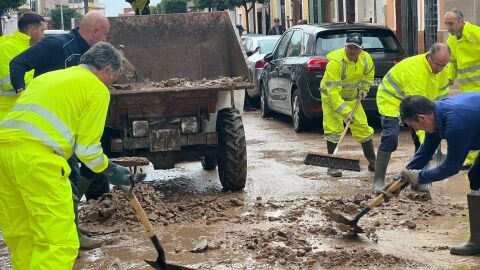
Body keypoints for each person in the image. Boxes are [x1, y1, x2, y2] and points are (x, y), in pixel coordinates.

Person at [0, 42, 133, 269]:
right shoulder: (96, 88)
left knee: (23, 237)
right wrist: (111, 170)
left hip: (5, 156)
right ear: (107, 70)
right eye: (114, 79)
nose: (111, 84)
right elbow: (88, 150)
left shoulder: (47, 78)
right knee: (59, 243)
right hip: (38, 160)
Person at [9, 11, 111, 249]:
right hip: (44, 132)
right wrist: (22, 92)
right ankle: (67, 235)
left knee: (73, 176)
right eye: (105, 34)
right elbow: (18, 64)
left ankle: (71, 226)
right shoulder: (57, 44)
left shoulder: (89, 55)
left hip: (64, 129)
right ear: (95, 31)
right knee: (69, 178)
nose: (106, 39)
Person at [399, 93, 480, 256]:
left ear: (422, 118)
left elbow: (451, 167)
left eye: (413, 126)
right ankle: (477, 240)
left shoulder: (456, 124)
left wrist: (419, 178)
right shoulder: (436, 114)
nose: (415, 130)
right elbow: (424, 153)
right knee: (477, 176)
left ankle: (477, 242)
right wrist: (400, 180)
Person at [372, 43, 451, 194]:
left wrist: (439, 126)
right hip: (391, 100)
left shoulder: (444, 70)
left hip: (418, 103)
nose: (440, 69)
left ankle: (417, 180)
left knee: (419, 140)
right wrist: (429, 140)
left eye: (443, 65)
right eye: (437, 64)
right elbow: (419, 113)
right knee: (391, 137)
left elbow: (441, 99)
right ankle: (378, 182)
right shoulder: (415, 70)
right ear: (429, 56)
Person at [319, 32, 376, 177]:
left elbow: (369, 74)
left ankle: (373, 162)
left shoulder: (365, 59)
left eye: (355, 48)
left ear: (361, 49)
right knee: (333, 129)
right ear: (345, 46)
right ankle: (332, 165)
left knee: (362, 127)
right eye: (349, 47)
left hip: (352, 97)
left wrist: (364, 88)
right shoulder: (336, 63)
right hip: (331, 97)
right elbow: (333, 93)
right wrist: (345, 112)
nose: (352, 50)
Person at [444, 9, 480, 170]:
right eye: (446, 24)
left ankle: (474, 160)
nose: (448, 27)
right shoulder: (452, 41)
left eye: (451, 23)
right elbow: (452, 63)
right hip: (467, 90)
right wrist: (448, 80)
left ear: (461, 21)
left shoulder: (475, 34)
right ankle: (473, 159)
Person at [0, 12, 45, 119]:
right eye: (42, 30)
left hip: (19, 109)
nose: (43, 35)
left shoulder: (27, 48)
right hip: (6, 112)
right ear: (33, 29)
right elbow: (9, 81)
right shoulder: (7, 47)